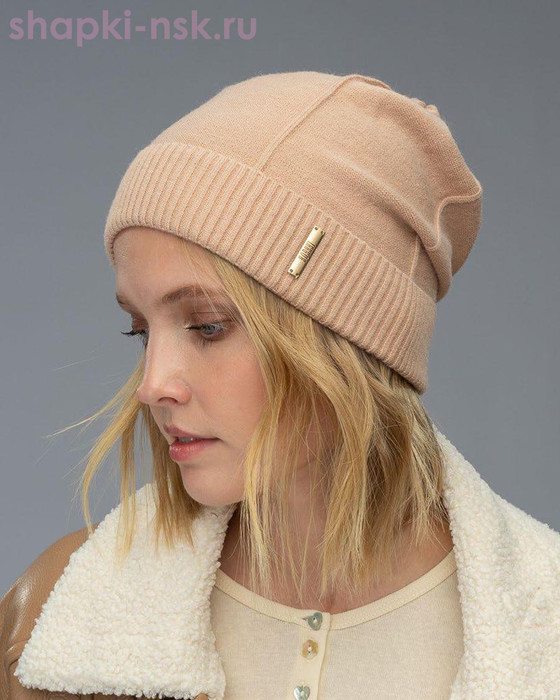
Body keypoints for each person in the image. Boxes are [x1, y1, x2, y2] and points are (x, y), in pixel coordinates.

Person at [1, 70, 559, 700]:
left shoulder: (544, 636)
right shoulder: (54, 617)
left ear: (349, 341)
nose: (152, 385)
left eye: (207, 326)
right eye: (140, 330)